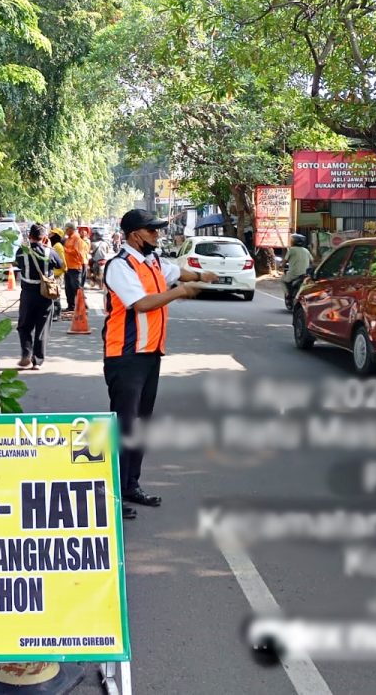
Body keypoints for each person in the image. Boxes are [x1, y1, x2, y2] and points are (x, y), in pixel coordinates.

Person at [103, 209, 216, 519]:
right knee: (125, 426)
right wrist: (179, 293)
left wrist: (200, 275)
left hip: (150, 354)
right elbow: (140, 304)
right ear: (135, 235)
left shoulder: (151, 262)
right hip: (125, 357)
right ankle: (114, 494)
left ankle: (131, 485)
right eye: (151, 231)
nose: (157, 235)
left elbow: (176, 271)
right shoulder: (120, 267)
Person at [15, 224, 63, 368]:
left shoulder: (22, 251)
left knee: (24, 326)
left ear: (29, 236)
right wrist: (48, 248)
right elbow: (60, 264)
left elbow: (18, 263)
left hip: (28, 294)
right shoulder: (50, 252)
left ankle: (26, 354)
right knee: (42, 327)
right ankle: (38, 360)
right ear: (44, 238)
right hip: (45, 294)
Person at [62, 222, 89, 314]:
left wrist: (65, 250)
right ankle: (71, 306)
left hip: (75, 267)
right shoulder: (68, 239)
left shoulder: (77, 239)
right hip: (68, 267)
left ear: (71, 229)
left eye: (66, 229)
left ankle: (82, 306)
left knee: (76, 288)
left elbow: (78, 253)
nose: (65, 231)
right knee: (68, 288)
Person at [283, 233, 313, 309]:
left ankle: (288, 294)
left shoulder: (291, 250)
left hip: (293, 274)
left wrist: (281, 265)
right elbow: (312, 261)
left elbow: (285, 261)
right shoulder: (306, 250)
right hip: (305, 274)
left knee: (283, 280)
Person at [48, 229, 68, 321]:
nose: (49, 234)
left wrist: (61, 271)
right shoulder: (55, 245)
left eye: (52, 233)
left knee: (56, 294)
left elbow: (62, 262)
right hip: (56, 274)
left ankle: (56, 313)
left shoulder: (58, 246)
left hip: (57, 274)